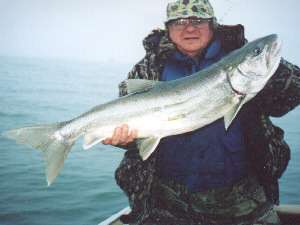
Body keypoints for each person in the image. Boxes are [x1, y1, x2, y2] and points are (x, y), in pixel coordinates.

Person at [103, 0, 300, 224]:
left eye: (198, 21)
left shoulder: (239, 56)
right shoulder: (146, 69)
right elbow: (133, 134)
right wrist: (122, 139)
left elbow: (290, 94)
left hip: (242, 196)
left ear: (213, 25)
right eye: (179, 22)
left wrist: (259, 57)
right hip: (165, 197)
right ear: (167, 29)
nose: (189, 28)